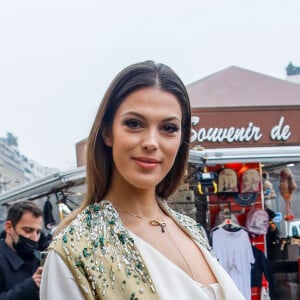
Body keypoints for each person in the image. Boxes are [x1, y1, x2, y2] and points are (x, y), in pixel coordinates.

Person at [40, 60, 245, 300]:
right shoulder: (74, 250)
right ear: (108, 132)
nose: (151, 142)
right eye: (134, 124)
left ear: (182, 139)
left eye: (168, 128)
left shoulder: (192, 230)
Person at [0, 200, 43, 300]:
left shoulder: (37, 257)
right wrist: (31, 286)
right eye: (28, 230)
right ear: (9, 227)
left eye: (38, 232)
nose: (34, 237)